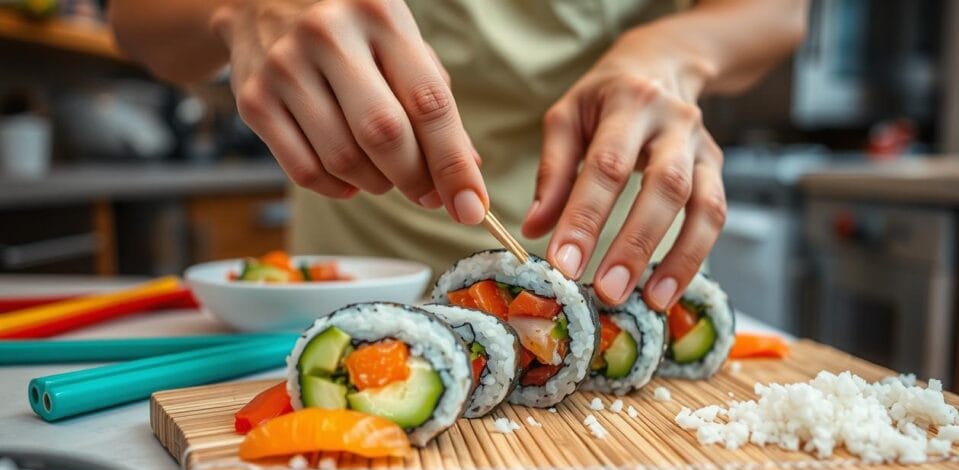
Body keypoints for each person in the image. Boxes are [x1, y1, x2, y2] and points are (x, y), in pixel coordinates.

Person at [109, 0, 806, 308]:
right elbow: (134, 20)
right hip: (366, 277)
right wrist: (242, 7)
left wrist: (672, 55)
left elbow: (779, 12)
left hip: (625, 263)